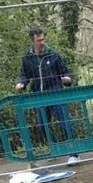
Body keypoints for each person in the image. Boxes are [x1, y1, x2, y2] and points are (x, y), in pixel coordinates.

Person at [15, 28, 79, 166]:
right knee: (42, 125)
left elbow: (65, 72)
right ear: (33, 41)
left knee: (65, 122)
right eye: (39, 40)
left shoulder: (54, 55)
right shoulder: (27, 57)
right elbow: (24, 75)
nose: (42, 42)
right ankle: (55, 148)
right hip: (39, 96)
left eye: (43, 39)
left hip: (56, 93)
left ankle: (74, 154)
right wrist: (21, 83)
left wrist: (67, 79)